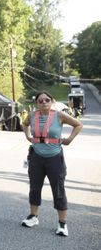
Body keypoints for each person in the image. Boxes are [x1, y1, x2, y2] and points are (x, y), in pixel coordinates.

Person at [21, 91, 83, 237]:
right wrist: (28, 136)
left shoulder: (59, 115)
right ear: (36, 103)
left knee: (58, 189)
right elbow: (24, 124)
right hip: (36, 156)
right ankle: (33, 217)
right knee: (34, 187)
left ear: (52, 101)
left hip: (55, 157)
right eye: (40, 101)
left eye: (46, 100)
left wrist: (69, 139)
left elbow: (78, 124)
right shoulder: (32, 116)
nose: (43, 103)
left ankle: (62, 224)